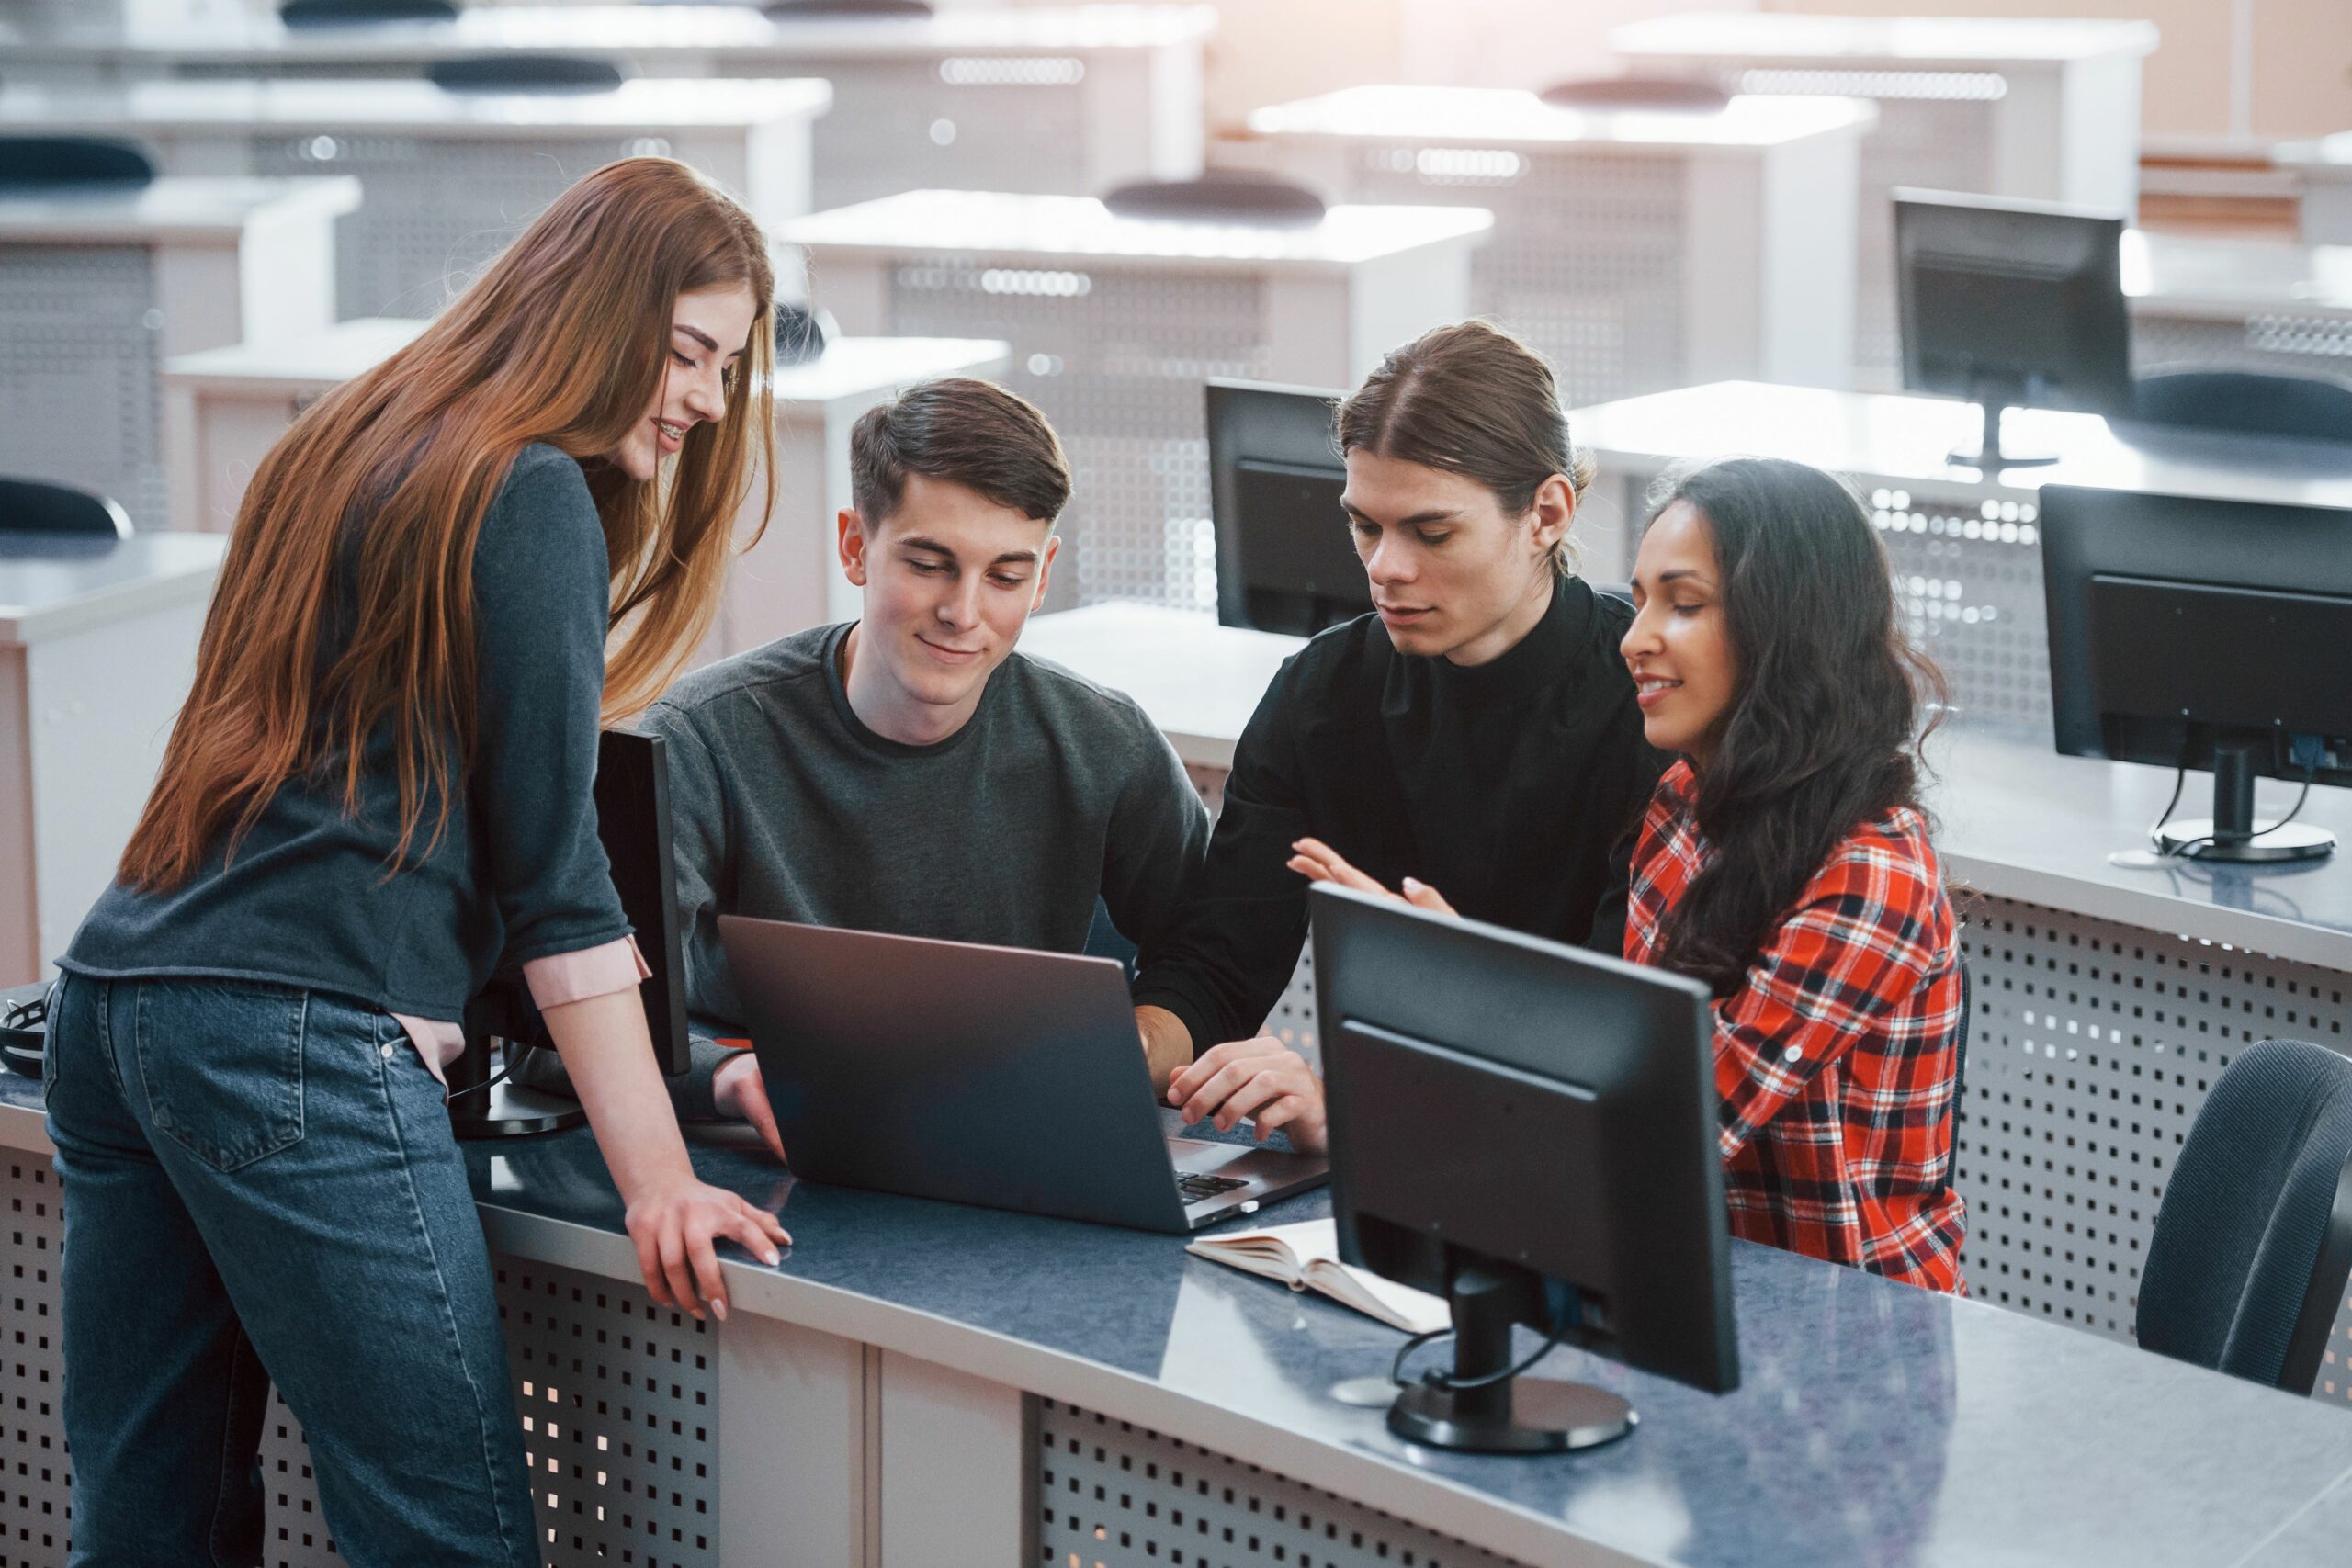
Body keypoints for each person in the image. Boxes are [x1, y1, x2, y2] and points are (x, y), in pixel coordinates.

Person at [42, 158, 791, 1567]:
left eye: (725, 366)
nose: (701, 398)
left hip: (117, 1000)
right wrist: (658, 1178)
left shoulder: (339, 439)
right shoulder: (526, 492)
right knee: (446, 1538)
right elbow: (557, 878)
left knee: (149, 1529)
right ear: (594, 310)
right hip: (293, 1042)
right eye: (686, 350)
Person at [636, 377, 1213, 1156]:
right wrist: (725, 1076)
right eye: (930, 564)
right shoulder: (700, 739)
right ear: (854, 546)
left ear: (1042, 576)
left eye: (1005, 576)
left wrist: (1137, 1047)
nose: (964, 612)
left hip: (1012, 1142)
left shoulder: (1104, 743)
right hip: (768, 1151)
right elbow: (564, 1024)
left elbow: (1209, 961)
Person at [1149, 320, 1668, 1152]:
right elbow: (1219, 966)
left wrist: (1351, 1101)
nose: (1385, 566)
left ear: (1546, 512)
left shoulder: (1649, 708)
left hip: (1578, 1168)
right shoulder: (1322, 693)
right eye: (1365, 525)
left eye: (1431, 533)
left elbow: (1619, 1049)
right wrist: (1131, 1046)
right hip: (1405, 1166)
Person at [1617, 456, 1965, 1292]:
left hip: (1852, 1334)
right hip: (1709, 1280)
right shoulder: (1682, 803)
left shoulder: (1871, 874)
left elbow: (1666, 1127)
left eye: (1685, 603)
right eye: (1640, 603)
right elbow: (1636, 1054)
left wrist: (1478, 1009)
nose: (1634, 640)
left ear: (1785, 629)